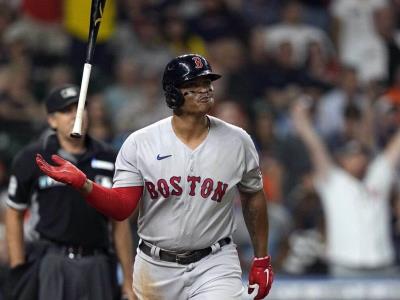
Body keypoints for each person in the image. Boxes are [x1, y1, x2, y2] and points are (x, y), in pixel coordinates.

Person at [35, 54, 274, 299]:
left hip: (215, 261)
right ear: (172, 94)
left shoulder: (238, 140)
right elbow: (122, 208)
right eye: (193, 85)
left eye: (207, 83)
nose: (204, 90)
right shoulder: (141, 143)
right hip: (156, 267)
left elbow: (253, 196)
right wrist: (84, 185)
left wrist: (261, 258)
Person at [5, 84, 135, 300]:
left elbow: (119, 222)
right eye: (67, 110)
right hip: (53, 261)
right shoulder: (34, 157)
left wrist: (128, 281)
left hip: (98, 261)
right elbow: (14, 211)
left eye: (81, 108)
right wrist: (19, 266)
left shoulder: (110, 157)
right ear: (52, 120)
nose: (76, 115)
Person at [291, 97, 400, 277]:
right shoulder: (333, 181)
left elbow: (395, 149)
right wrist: (301, 119)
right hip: (344, 264)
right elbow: (315, 147)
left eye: (360, 155)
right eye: (351, 156)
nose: (356, 159)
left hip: (382, 263)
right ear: (342, 159)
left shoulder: (377, 176)